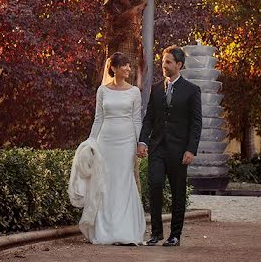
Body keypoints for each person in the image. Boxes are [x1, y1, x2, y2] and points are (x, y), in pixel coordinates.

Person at [72, 52, 146, 245]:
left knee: (123, 181)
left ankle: (125, 230)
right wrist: (90, 143)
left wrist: (139, 143)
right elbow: (99, 119)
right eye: (125, 66)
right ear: (113, 68)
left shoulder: (134, 92)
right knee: (105, 182)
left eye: (130, 66)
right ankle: (105, 230)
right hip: (106, 141)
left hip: (126, 142)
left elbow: (137, 119)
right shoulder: (102, 91)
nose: (129, 69)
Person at [137, 46, 202, 247]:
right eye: (163, 62)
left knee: (178, 193)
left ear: (179, 65)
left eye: (168, 62)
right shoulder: (156, 89)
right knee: (155, 186)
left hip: (180, 151)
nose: (164, 66)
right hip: (157, 149)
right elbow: (149, 118)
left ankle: (175, 235)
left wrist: (191, 149)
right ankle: (156, 233)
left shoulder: (192, 90)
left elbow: (196, 123)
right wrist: (142, 141)